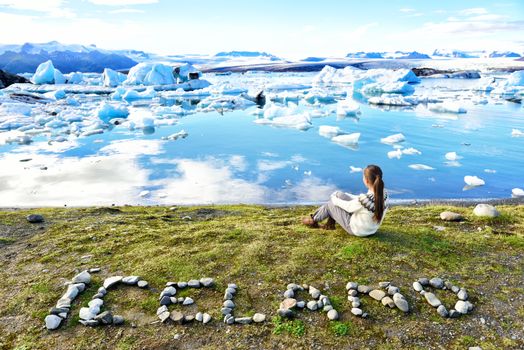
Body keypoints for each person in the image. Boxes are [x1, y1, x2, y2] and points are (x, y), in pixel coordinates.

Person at [302, 164, 388, 237]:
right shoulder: (384, 194)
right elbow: (360, 201)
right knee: (340, 195)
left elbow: (348, 207)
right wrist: (343, 195)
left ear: (366, 180)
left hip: (357, 230)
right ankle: (329, 224)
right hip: (371, 229)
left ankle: (313, 220)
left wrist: (334, 198)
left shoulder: (364, 200)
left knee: (330, 204)